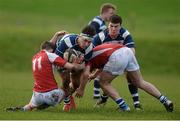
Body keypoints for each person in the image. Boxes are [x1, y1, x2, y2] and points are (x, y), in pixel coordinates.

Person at [75, 43, 174, 112]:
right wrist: (95, 75)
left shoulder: (87, 58)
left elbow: (85, 74)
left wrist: (81, 90)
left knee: (103, 82)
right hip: (127, 51)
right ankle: (165, 100)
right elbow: (102, 64)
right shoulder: (94, 52)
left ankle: (124, 107)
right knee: (139, 82)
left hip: (116, 56)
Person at [6, 41, 84, 111]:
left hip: (37, 94)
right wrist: (82, 66)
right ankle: (49, 103)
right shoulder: (51, 55)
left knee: (30, 105)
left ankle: (24, 108)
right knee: (69, 88)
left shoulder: (35, 57)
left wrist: (56, 35)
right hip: (51, 94)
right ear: (52, 50)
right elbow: (72, 67)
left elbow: (49, 44)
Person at [92, 14, 142, 110]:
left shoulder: (125, 33)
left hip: (124, 60)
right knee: (104, 80)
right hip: (108, 63)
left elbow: (132, 50)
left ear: (120, 26)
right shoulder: (101, 36)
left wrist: (125, 62)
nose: (114, 28)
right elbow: (92, 51)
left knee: (130, 77)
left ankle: (136, 104)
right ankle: (104, 98)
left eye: (116, 26)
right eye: (111, 26)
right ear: (108, 24)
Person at [54, 25, 96, 112]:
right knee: (66, 80)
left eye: (89, 42)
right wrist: (70, 65)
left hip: (77, 64)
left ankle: (65, 96)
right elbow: (56, 59)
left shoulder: (89, 48)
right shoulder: (67, 41)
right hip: (61, 60)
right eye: (85, 40)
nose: (87, 44)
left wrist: (81, 88)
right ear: (80, 36)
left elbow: (86, 68)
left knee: (76, 83)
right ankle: (66, 102)